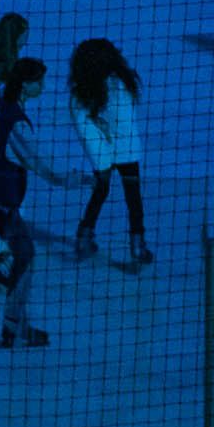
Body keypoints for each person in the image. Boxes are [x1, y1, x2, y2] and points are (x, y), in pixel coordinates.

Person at [63, 38, 155, 267]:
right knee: (133, 198)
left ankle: (84, 237)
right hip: (127, 150)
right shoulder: (121, 82)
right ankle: (137, 245)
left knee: (101, 191)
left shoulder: (88, 88)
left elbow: (90, 116)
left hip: (105, 148)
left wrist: (99, 126)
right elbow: (122, 118)